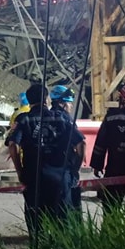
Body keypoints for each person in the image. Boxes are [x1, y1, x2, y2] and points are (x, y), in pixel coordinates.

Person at [8, 84, 82, 237]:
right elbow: (82, 144)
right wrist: (74, 169)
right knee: (62, 223)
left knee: (36, 225)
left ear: (28, 101)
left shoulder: (24, 119)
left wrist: (20, 171)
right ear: (47, 99)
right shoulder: (61, 118)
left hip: (34, 177)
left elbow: (13, 144)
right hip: (60, 178)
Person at [90, 82, 125, 213]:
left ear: (123, 98)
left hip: (115, 169)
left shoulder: (111, 117)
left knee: (111, 210)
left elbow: (101, 142)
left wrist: (97, 165)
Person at [49, 85, 85, 215]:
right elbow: (81, 144)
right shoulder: (66, 119)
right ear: (61, 103)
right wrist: (76, 167)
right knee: (68, 207)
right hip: (65, 167)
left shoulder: (45, 117)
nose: (70, 106)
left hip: (46, 168)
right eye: (69, 103)